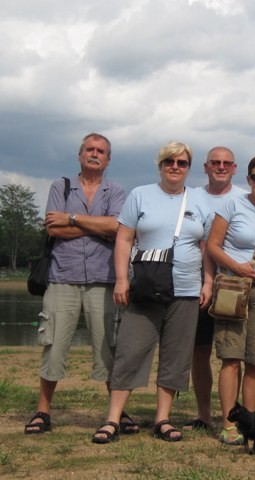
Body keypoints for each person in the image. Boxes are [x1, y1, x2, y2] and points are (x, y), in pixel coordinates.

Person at [92, 141, 213, 444]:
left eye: (182, 163)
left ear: (188, 168)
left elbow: (206, 247)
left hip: (186, 290)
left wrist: (208, 282)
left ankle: (163, 419)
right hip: (145, 288)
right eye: (169, 161)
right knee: (130, 351)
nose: (175, 167)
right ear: (160, 165)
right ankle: (112, 419)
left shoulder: (199, 200)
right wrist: (122, 280)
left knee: (176, 355)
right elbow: (124, 239)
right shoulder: (140, 195)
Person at [24, 133, 127, 435]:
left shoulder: (116, 190)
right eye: (90, 149)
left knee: (108, 348)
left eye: (101, 151)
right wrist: (98, 227)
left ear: (108, 159)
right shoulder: (61, 186)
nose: (95, 154)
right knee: (53, 345)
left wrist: (71, 218)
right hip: (62, 277)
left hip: (104, 279)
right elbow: (53, 229)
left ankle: (116, 413)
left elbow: (118, 226)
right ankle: (43, 411)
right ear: (80, 155)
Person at [207, 155, 255, 445]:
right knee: (231, 359)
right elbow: (213, 246)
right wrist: (236, 267)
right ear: (248, 178)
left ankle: (248, 423)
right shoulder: (232, 205)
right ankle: (229, 424)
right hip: (233, 289)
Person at [186, 146, 247, 432]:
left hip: (234, 285)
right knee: (199, 351)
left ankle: (234, 416)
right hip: (195, 282)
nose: (221, 167)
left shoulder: (244, 198)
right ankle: (204, 414)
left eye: (226, 163)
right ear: (206, 167)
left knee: (233, 355)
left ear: (234, 168)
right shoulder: (191, 196)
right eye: (215, 162)